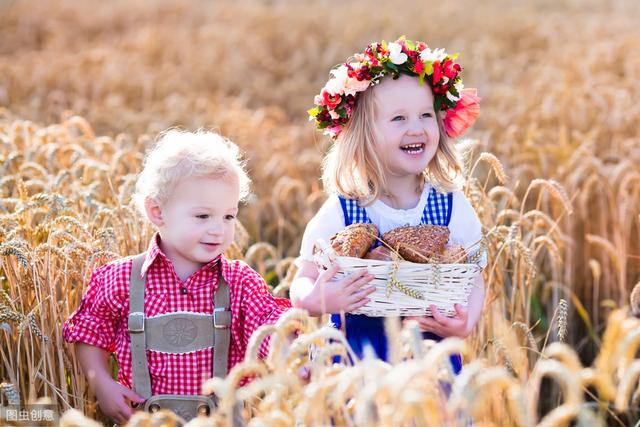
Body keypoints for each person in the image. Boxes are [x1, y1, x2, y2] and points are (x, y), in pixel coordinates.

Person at [63, 130, 290, 424]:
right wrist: (102, 385)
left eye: (229, 216)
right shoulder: (122, 279)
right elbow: (88, 332)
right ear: (157, 212)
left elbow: (270, 329)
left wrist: (292, 359)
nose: (218, 229)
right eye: (203, 216)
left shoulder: (239, 283)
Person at [290, 37, 486, 370]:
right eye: (398, 119)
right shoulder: (345, 210)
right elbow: (303, 277)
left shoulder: (450, 204)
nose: (416, 128)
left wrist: (465, 320)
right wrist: (316, 299)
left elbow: (474, 274)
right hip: (355, 356)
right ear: (364, 134)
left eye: (425, 115)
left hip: (429, 352)